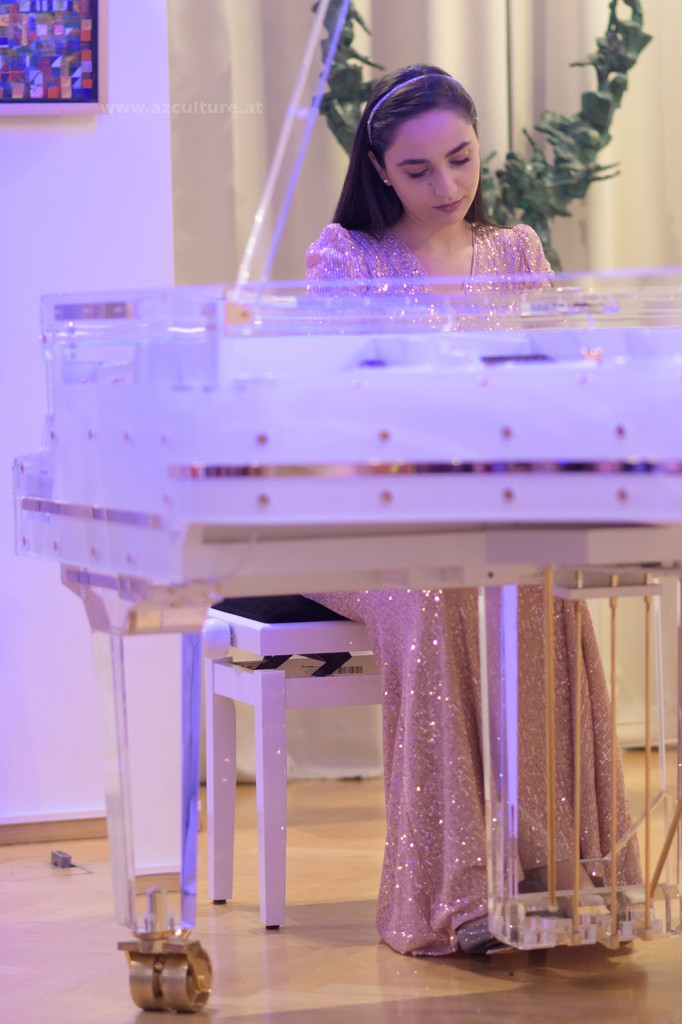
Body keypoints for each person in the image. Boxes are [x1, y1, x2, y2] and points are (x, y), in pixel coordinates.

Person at [305, 64, 640, 955]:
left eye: (461, 158)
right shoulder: (347, 259)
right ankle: (460, 893)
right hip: (368, 521)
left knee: (537, 582)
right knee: (435, 589)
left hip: (488, 506)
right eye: (418, 170)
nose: (447, 185)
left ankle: (551, 875)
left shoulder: (514, 252)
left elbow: (557, 386)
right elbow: (338, 412)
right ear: (380, 170)